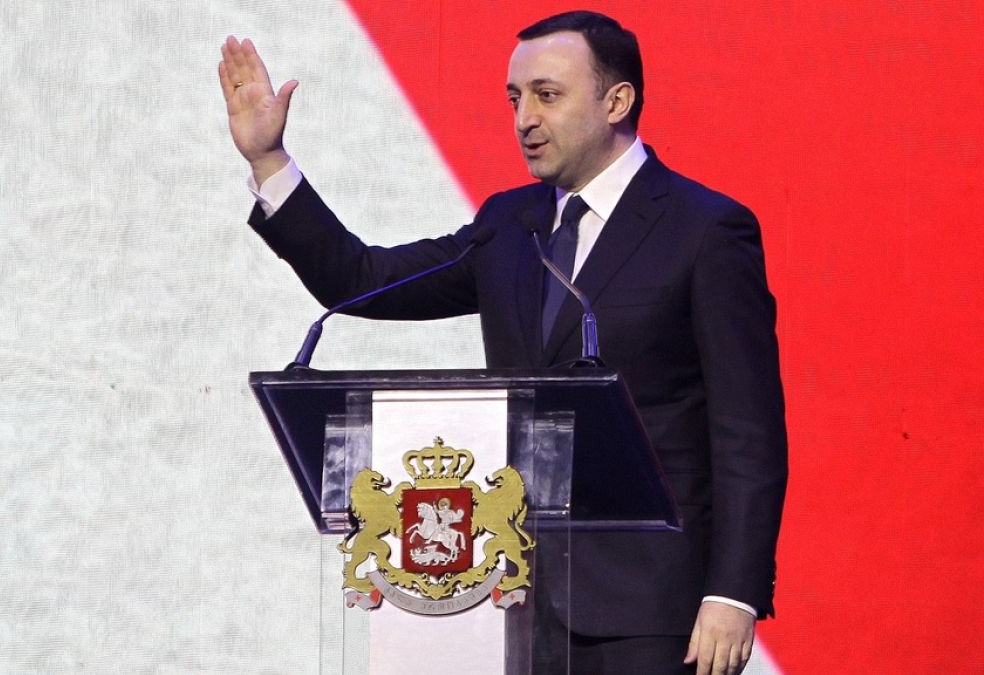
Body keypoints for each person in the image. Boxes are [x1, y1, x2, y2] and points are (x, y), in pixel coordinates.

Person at [219, 10, 787, 675]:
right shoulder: (508, 226)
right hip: (514, 596)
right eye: (515, 98)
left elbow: (748, 430)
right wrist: (270, 160)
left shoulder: (705, 229)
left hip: (657, 612)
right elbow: (361, 278)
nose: (524, 118)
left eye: (547, 95)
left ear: (616, 100)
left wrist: (734, 592)